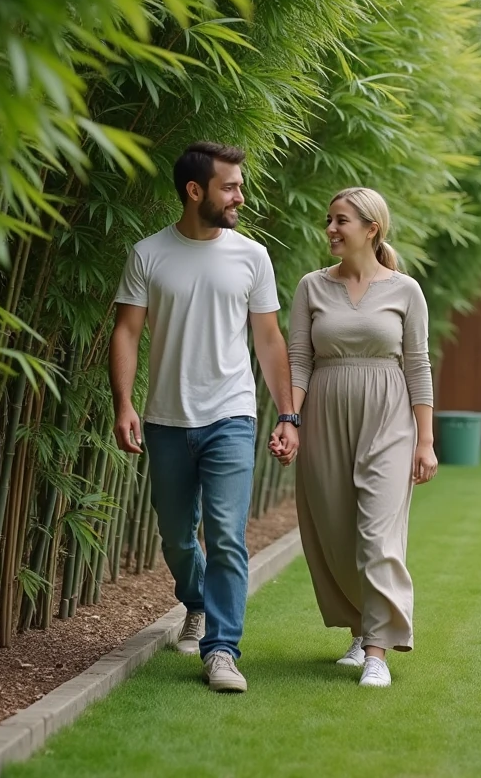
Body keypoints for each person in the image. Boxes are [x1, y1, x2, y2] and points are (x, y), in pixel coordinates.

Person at [108, 141, 299, 694]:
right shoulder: (149, 254)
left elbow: (269, 339)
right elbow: (127, 331)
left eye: (240, 185)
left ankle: (221, 651)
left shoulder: (252, 256)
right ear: (195, 191)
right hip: (166, 419)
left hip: (231, 416)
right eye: (230, 187)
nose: (241, 196)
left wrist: (288, 414)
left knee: (226, 535)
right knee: (175, 537)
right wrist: (123, 403)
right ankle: (196, 601)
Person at [281, 186, 437, 688]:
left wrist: (426, 440)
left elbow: (418, 365)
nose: (330, 229)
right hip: (324, 416)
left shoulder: (406, 291)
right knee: (337, 531)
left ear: (372, 229)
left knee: (376, 534)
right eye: (329, 219)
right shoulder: (311, 286)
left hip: (389, 417)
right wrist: (290, 419)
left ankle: (377, 652)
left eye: (340, 220)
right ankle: (360, 628)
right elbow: (299, 360)